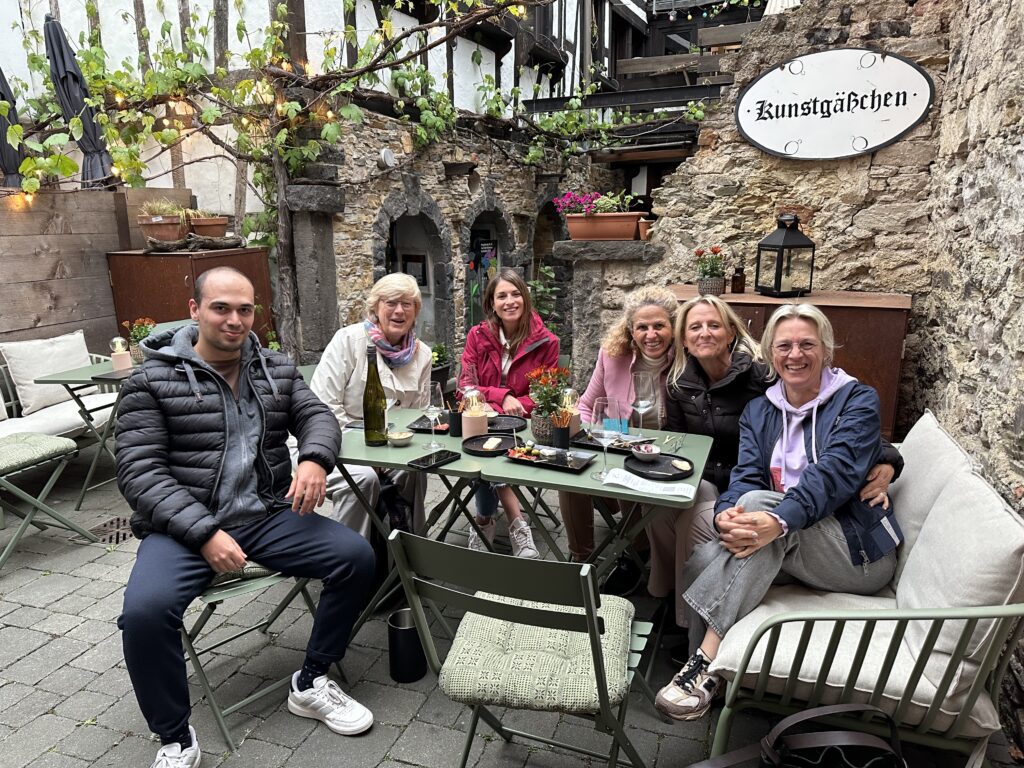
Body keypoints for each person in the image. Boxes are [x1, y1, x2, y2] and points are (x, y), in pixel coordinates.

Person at [116, 266, 376, 768]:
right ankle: (175, 737)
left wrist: (314, 459)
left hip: (265, 514)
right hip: (182, 530)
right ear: (194, 310)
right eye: (221, 308)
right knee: (145, 613)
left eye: (245, 309)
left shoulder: (274, 367)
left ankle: (311, 681)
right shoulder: (150, 381)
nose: (234, 320)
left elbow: (317, 416)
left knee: (356, 556)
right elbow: (140, 474)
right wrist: (205, 532)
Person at [654, 303, 903, 722]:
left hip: (857, 552)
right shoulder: (761, 410)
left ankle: (704, 661)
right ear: (770, 352)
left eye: (807, 345)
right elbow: (746, 474)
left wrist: (777, 520)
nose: (795, 355)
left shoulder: (856, 400)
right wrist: (725, 513)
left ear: (826, 350)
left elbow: (834, 473)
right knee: (711, 549)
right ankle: (709, 680)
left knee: (759, 510)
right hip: (790, 543)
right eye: (784, 346)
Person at [556, 285, 678, 591]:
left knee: (631, 474)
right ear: (630, 330)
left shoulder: (685, 359)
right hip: (617, 435)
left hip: (665, 446)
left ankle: (634, 553)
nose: (651, 335)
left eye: (659, 326)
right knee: (570, 472)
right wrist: (584, 437)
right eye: (642, 327)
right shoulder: (613, 355)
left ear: (673, 327)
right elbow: (587, 404)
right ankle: (582, 560)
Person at [308, 273, 432, 537]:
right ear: (376, 307)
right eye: (391, 302)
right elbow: (323, 408)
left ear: (415, 311)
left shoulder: (422, 354)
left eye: (407, 304)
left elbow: (419, 416)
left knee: (415, 470)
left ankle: (411, 546)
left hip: (391, 449)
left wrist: (393, 452)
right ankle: (349, 555)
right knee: (364, 478)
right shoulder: (349, 340)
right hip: (335, 444)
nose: (399, 311)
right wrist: (369, 454)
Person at [459, 267, 559, 558]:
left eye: (516, 294)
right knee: (484, 445)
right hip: (482, 420)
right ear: (492, 303)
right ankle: (517, 521)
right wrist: (501, 396)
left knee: (487, 450)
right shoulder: (477, 336)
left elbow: (545, 395)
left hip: (524, 427)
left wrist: (509, 404)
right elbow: (465, 384)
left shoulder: (547, 342)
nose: (510, 301)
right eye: (501, 296)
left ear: (525, 298)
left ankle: (484, 521)